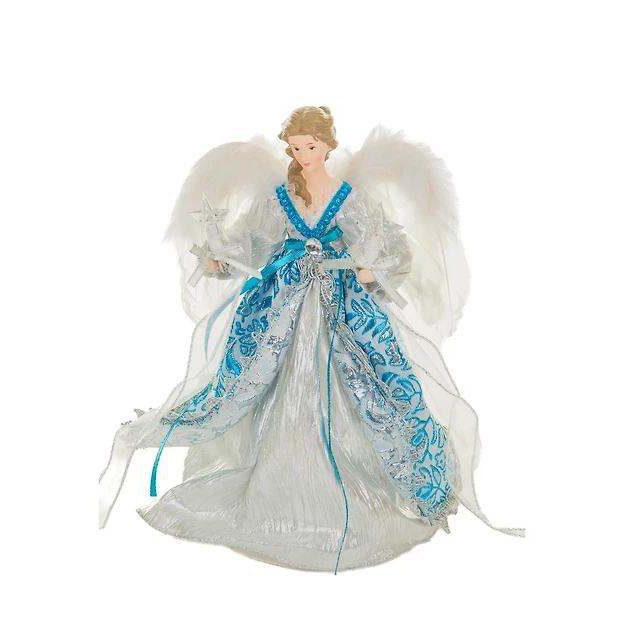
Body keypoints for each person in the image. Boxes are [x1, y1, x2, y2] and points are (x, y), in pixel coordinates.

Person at [99, 105, 525, 573]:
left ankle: (362, 477)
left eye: (311, 146)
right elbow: (252, 242)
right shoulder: (279, 197)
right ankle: (284, 477)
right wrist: (221, 257)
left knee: (367, 381)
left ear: (327, 146)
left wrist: (371, 268)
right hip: (282, 304)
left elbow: (388, 243)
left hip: (341, 302)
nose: (303, 155)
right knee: (275, 379)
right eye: (296, 147)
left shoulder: (349, 197)